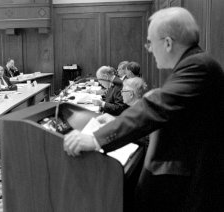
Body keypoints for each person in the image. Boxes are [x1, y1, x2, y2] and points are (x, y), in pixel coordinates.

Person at [64, 7, 224, 211]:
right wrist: (117, 123)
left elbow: (156, 107)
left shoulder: (199, 67)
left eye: (150, 42)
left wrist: (95, 139)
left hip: (193, 186)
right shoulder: (194, 64)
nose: (148, 49)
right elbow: (171, 124)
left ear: (167, 43)